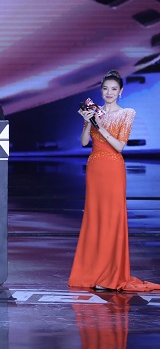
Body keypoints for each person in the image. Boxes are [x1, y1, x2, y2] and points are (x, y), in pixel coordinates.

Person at [68, 70, 160, 292]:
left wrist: (101, 126)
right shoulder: (94, 112)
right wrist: (88, 122)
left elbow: (119, 146)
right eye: (105, 89)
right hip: (95, 168)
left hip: (113, 168)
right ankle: (93, 272)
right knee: (95, 218)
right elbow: (83, 143)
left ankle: (110, 275)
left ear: (121, 91)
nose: (109, 92)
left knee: (112, 218)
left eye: (113, 89)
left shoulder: (127, 113)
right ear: (101, 91)